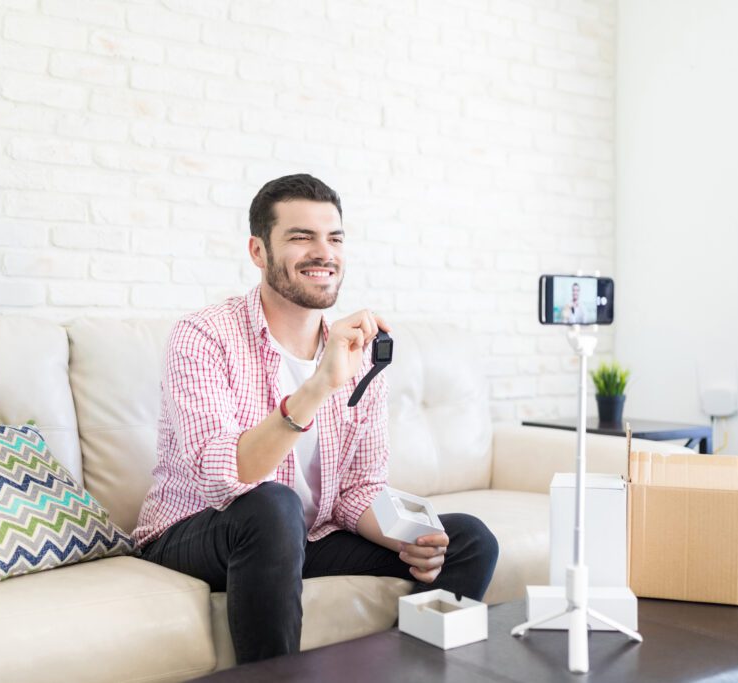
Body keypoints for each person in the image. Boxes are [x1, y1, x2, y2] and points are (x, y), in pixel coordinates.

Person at [133, 173, 499, 663]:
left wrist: (408, 538)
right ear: (258, 251)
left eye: (334, 238)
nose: (322, 252)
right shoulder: (203, 336)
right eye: (301, 237)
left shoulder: (361, 354)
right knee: (272, 506)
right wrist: (319, 384)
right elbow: (221, 480)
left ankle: (409, 673)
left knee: (468, 539)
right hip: (197, 532)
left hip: (300, 539)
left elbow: (360, 487)